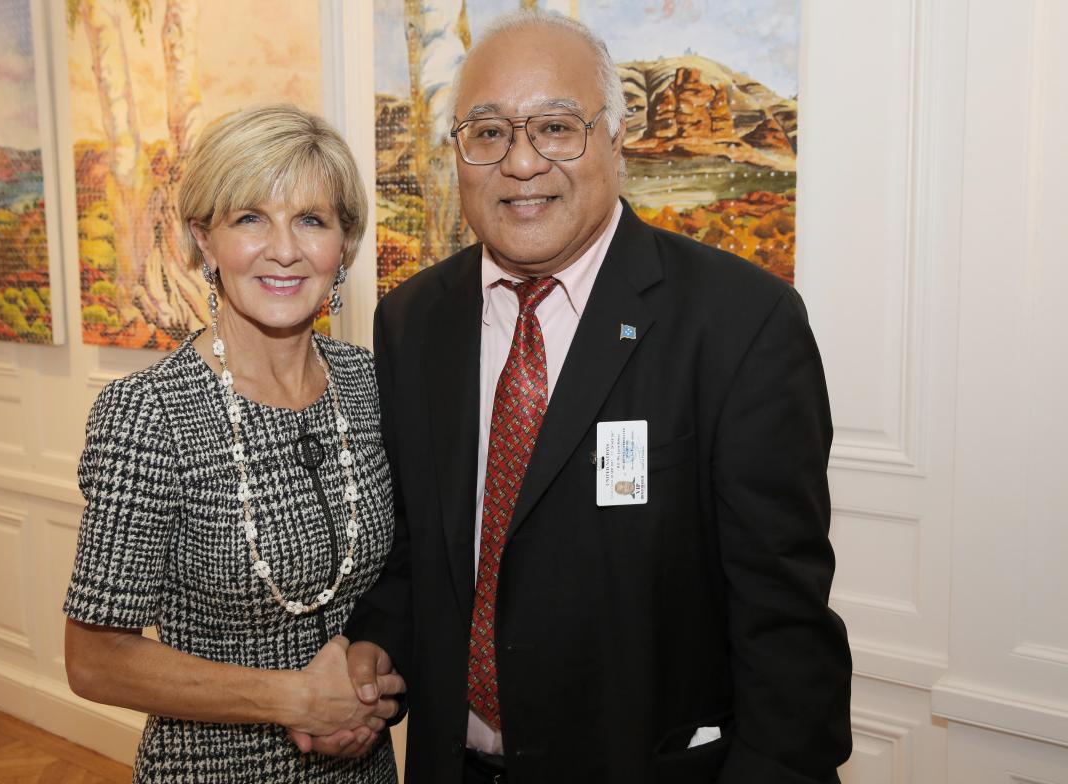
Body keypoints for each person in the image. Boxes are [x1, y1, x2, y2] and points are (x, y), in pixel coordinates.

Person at [333, 11, 852, 784]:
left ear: (616, 139)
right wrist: (375, 644)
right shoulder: (413, 322)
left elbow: (784, 628)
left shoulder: (742, 324)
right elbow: (415, 549)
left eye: (556, 126)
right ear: (458, 155)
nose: (521, 161)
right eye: (487, 132)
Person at [63, 104, 404, 783]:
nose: (284, 248)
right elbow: (94, 658)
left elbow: (402, 578)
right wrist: (293, 699)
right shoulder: (148, 413)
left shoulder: (371, 385)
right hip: (213, 769)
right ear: (204, 240)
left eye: (311, 219)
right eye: (250, 218)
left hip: (361, 765)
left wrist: (367, 672)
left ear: (344, 246)